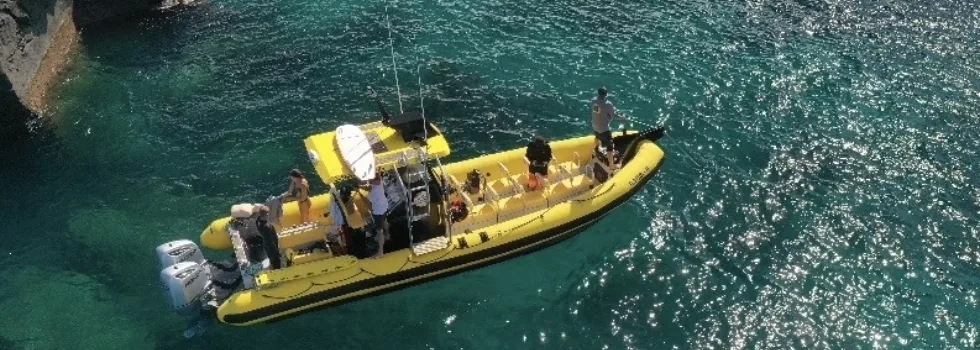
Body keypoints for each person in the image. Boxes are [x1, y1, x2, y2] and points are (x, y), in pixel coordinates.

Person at [592, 87, 627, 169]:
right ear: (606, 95)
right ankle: (611, 165)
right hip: (603, 129)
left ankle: (600, 149)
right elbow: (614, 116)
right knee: (610, 145)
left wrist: (608, 112)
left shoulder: (593, 100)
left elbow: (600, 110)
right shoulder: (608, 104)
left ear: (598, 93)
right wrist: (622, 117)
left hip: (594, 126)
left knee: (599, 137)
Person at [367, 174, 389, 258]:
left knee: (379, 231)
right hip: (384, 207)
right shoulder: (379, 182)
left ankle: (380, 252)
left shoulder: (373, 193)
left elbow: (369, 205)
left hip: (378, 212)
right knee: (384, 220)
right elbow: (370, 185)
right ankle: (387, 234)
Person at [254, 205, 282, 269]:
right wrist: (277, 251)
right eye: (268, 214)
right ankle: (276, 271)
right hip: (271, 248)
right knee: (276, 262)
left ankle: (273, 266)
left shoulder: (258, 222)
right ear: (266, 214)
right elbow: (271, 241)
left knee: (271, 259)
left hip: (266, 245)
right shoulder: (267, 227)